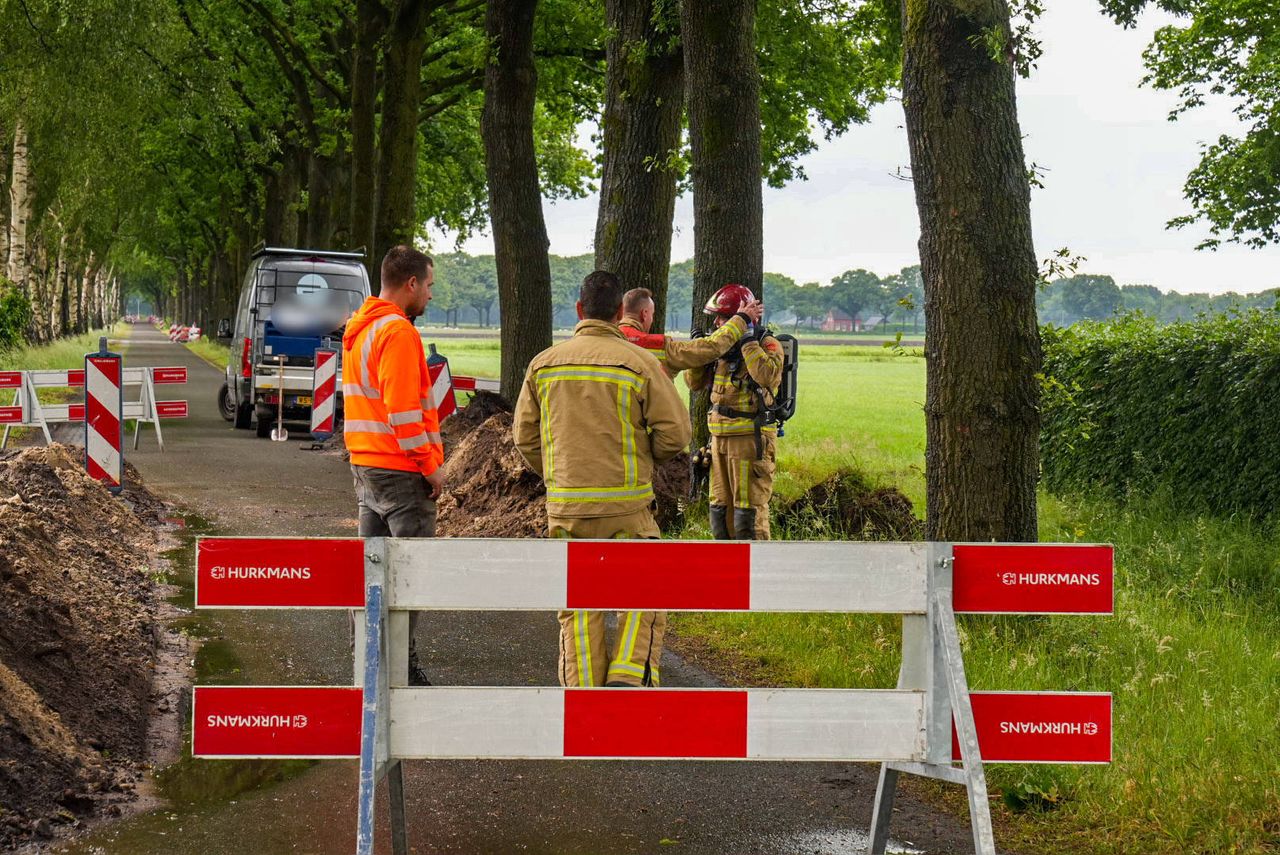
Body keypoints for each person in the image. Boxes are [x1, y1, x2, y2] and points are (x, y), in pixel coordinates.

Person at [513, 271, 691, 688]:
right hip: (626, 506)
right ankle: (628, 676)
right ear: (618, 312)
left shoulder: (543, 364)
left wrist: (559, 475)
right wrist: (642, 460)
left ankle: (583, 690)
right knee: (644, 589)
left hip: (567, 507)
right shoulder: (641, 363)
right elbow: (676, 433)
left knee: (578, 602)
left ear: (579, 309)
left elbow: (524, 437)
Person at [342, 245, 443, 685]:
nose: (431, 295)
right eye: (429, 286)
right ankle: (402, 669)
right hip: (400, 470)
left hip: (366, 466)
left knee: (370, 571)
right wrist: (430, 466)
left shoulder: (361, 328)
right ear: (411, 283)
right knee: (409, 575)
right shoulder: (398, 332)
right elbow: (403, 414)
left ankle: (366, 662)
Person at [684, 283, 784, 541]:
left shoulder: (767, 344)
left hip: (750, 441)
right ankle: (726, 566)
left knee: (748, 515)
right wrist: (701, 352)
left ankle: (757, 564)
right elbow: (693, 383)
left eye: (722, 317)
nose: (717, 323)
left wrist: (747, 340)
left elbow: (766, 376)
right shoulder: (721, 348)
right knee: (719, 512)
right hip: (718, 440)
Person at [618, 287, 764, 376]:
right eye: (652, 314)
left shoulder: (607, 338)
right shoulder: (659, 346)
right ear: (644, 314)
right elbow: (711, 347)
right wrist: (741, 319)